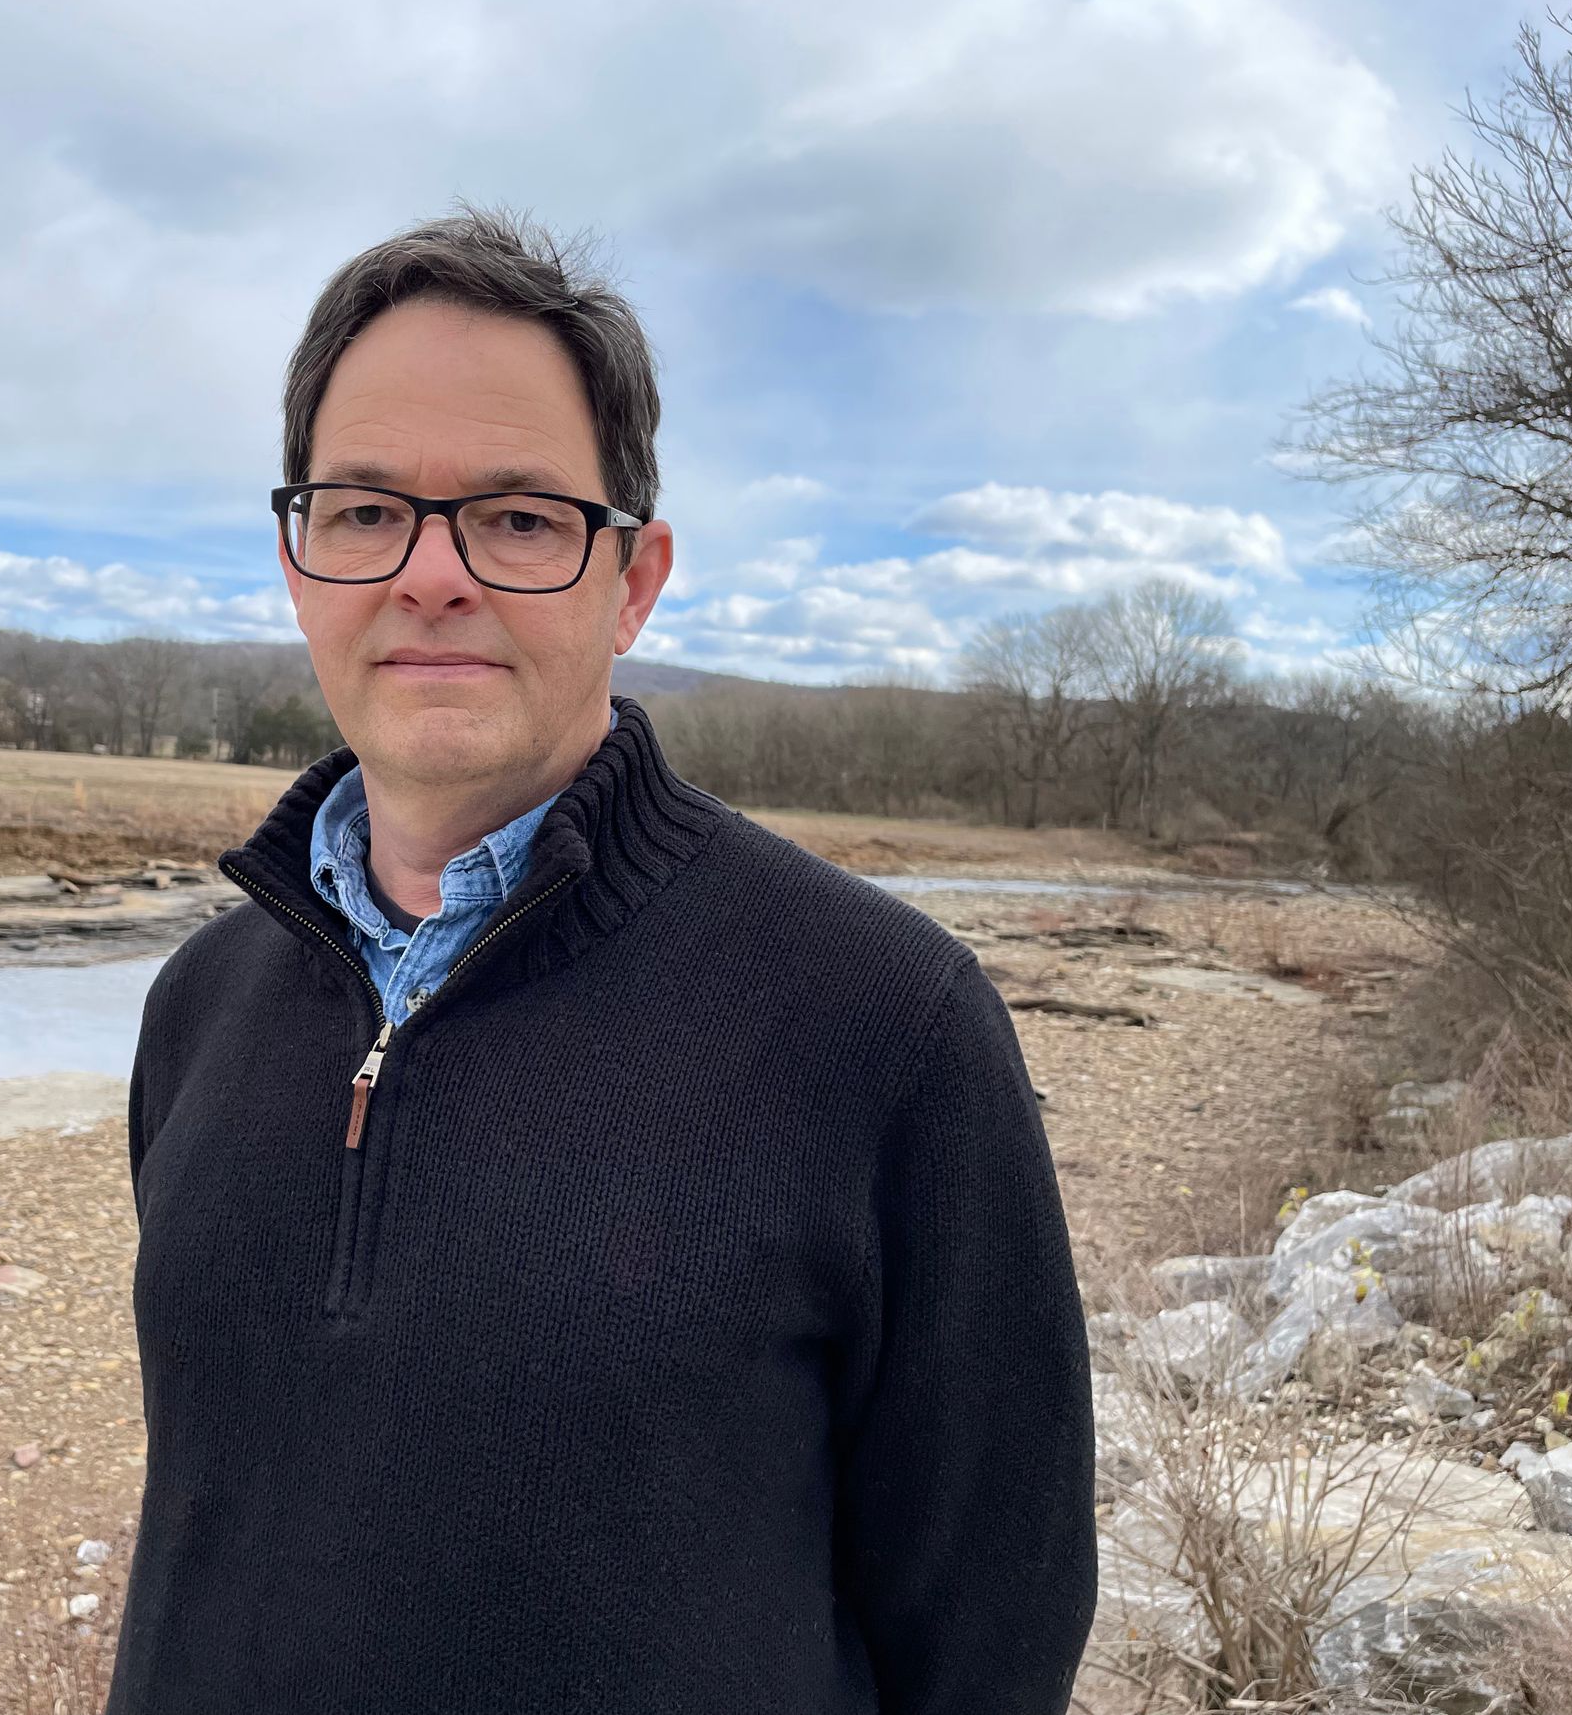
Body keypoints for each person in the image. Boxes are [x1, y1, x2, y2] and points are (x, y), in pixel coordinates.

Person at [107, 208, 1095, 1714]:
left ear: (633, 581)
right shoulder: (201, 1008)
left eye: (517, 519)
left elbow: (989, 1636)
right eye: (365, 510)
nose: (430, 576)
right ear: (299, 559)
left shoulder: (887, 1026)